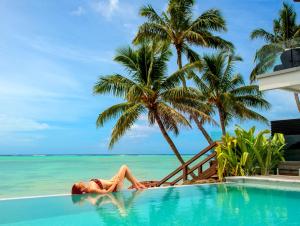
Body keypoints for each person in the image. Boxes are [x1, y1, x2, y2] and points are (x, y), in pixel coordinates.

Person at [71, 165, 146, 195]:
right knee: (124, 167)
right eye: (79, 184)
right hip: (115, 187)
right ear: (81, 189)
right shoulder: (92, 189)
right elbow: (107, 192)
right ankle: (137, 186)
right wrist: (115, 183)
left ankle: (138, 185)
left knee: (125, 171)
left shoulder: (88, 187)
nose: (80, 182)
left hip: (112, 182)